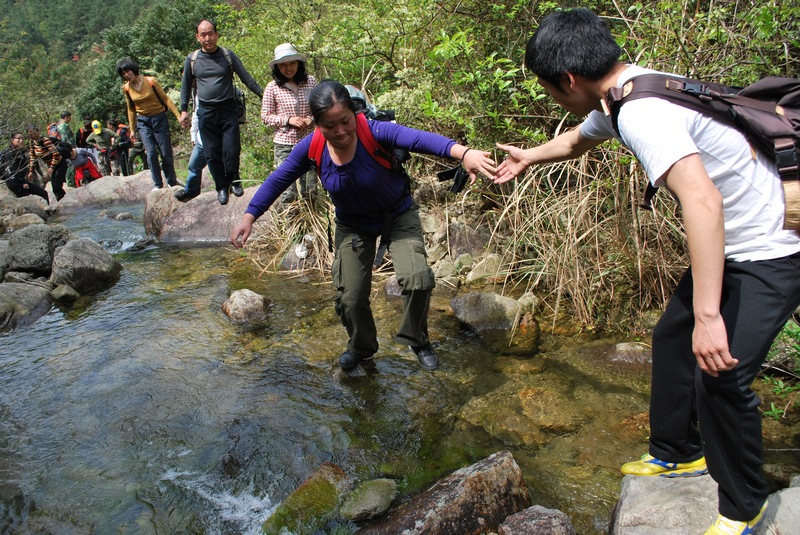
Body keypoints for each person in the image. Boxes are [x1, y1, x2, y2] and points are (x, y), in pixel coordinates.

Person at [493, 8, 800, 535]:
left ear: (568, 80)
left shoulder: (642, 113)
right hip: (735, 246)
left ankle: (743, 507)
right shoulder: (624, 90)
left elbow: (702, 201)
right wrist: (528, 157)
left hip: (773, 249)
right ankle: (678, 452)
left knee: (721, 376)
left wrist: (709, 316)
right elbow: (576, 140)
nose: (551, 98)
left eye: (547, 89)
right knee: (672, 338)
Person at [230, 80, 496, 371]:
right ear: (317, 124)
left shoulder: (374, 131)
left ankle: (418, 340)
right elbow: (278, 179)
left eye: (345, 121)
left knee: (417, 278)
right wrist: (249, 216)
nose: (340, 131)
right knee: (350, 297)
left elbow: (420, 139)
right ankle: (361, 347)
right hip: (353, 225)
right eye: (330, 126)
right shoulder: (312, 147)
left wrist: (464, 153)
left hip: (397, 215)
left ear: (354, 113)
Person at [179, 19, 263, 205]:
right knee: (211, 153)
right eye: (203, 35)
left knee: (231, 150)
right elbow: (185, 86)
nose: (207, 38)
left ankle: (234, 181)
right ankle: (221, 187)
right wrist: (183, 110)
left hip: (227, 110)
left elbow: (247, 78)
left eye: (210, 34)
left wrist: (264, 95)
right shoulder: (192, 60)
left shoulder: (227, 56)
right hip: (206, 112)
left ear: (216, 35)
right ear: (197, 37)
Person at [261, 43, 317, 208]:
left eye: (292, 63)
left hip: (308, 141)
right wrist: (288, 120)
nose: (288, 68)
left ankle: (311, 220)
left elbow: (321, 108)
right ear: (277, 67)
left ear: (298, 63)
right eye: (283, 65)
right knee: (287, 191)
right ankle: (290, 222)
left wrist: (310, 119)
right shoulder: (272, 87)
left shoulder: (310, 82)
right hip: (284, 143)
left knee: (310, 189)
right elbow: (265, 116)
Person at [118, 57, 182, 189]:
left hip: (159, 118)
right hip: (143, 122)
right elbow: (130, 109)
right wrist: (132, 129)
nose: (126, 75)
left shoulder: (150, 81)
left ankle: (171, 182)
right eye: (123, 73)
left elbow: (165, 99)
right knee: (151, 153)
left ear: (133, 69)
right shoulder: (127, 89)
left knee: (165, 152)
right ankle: (158, 184)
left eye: (128, 71)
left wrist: (178, 115)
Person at [0, 132, 49, 203]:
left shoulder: (21, 151)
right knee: (34, 198)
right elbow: (13, 171)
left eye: (22, 138)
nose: (21, 140)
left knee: (43, 193)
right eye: (18, 138)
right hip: (14, 182)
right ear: (12, 140)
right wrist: (23, 182)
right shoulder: (9, 153)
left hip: (20, 180)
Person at [174, 98, 207, 202]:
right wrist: (193, 135)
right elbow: (196, 114)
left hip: (218, 139)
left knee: (221, 165)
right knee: (194, 165)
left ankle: (226, 187)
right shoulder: (198, 94)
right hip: (201, 140)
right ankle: (191, 191)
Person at [27, 125, 68, 201]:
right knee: (55, 189)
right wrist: (31, 170)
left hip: (59, 164)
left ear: (37, 132)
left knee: (57, 187)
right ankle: (62, 201)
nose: (32, 135)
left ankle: (65, 201)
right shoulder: (32, 142)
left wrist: (52, 168)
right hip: (51, 166)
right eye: (30, 134)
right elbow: (33, 157)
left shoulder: (45, 141)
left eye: (33, 133)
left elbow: (56, 154)